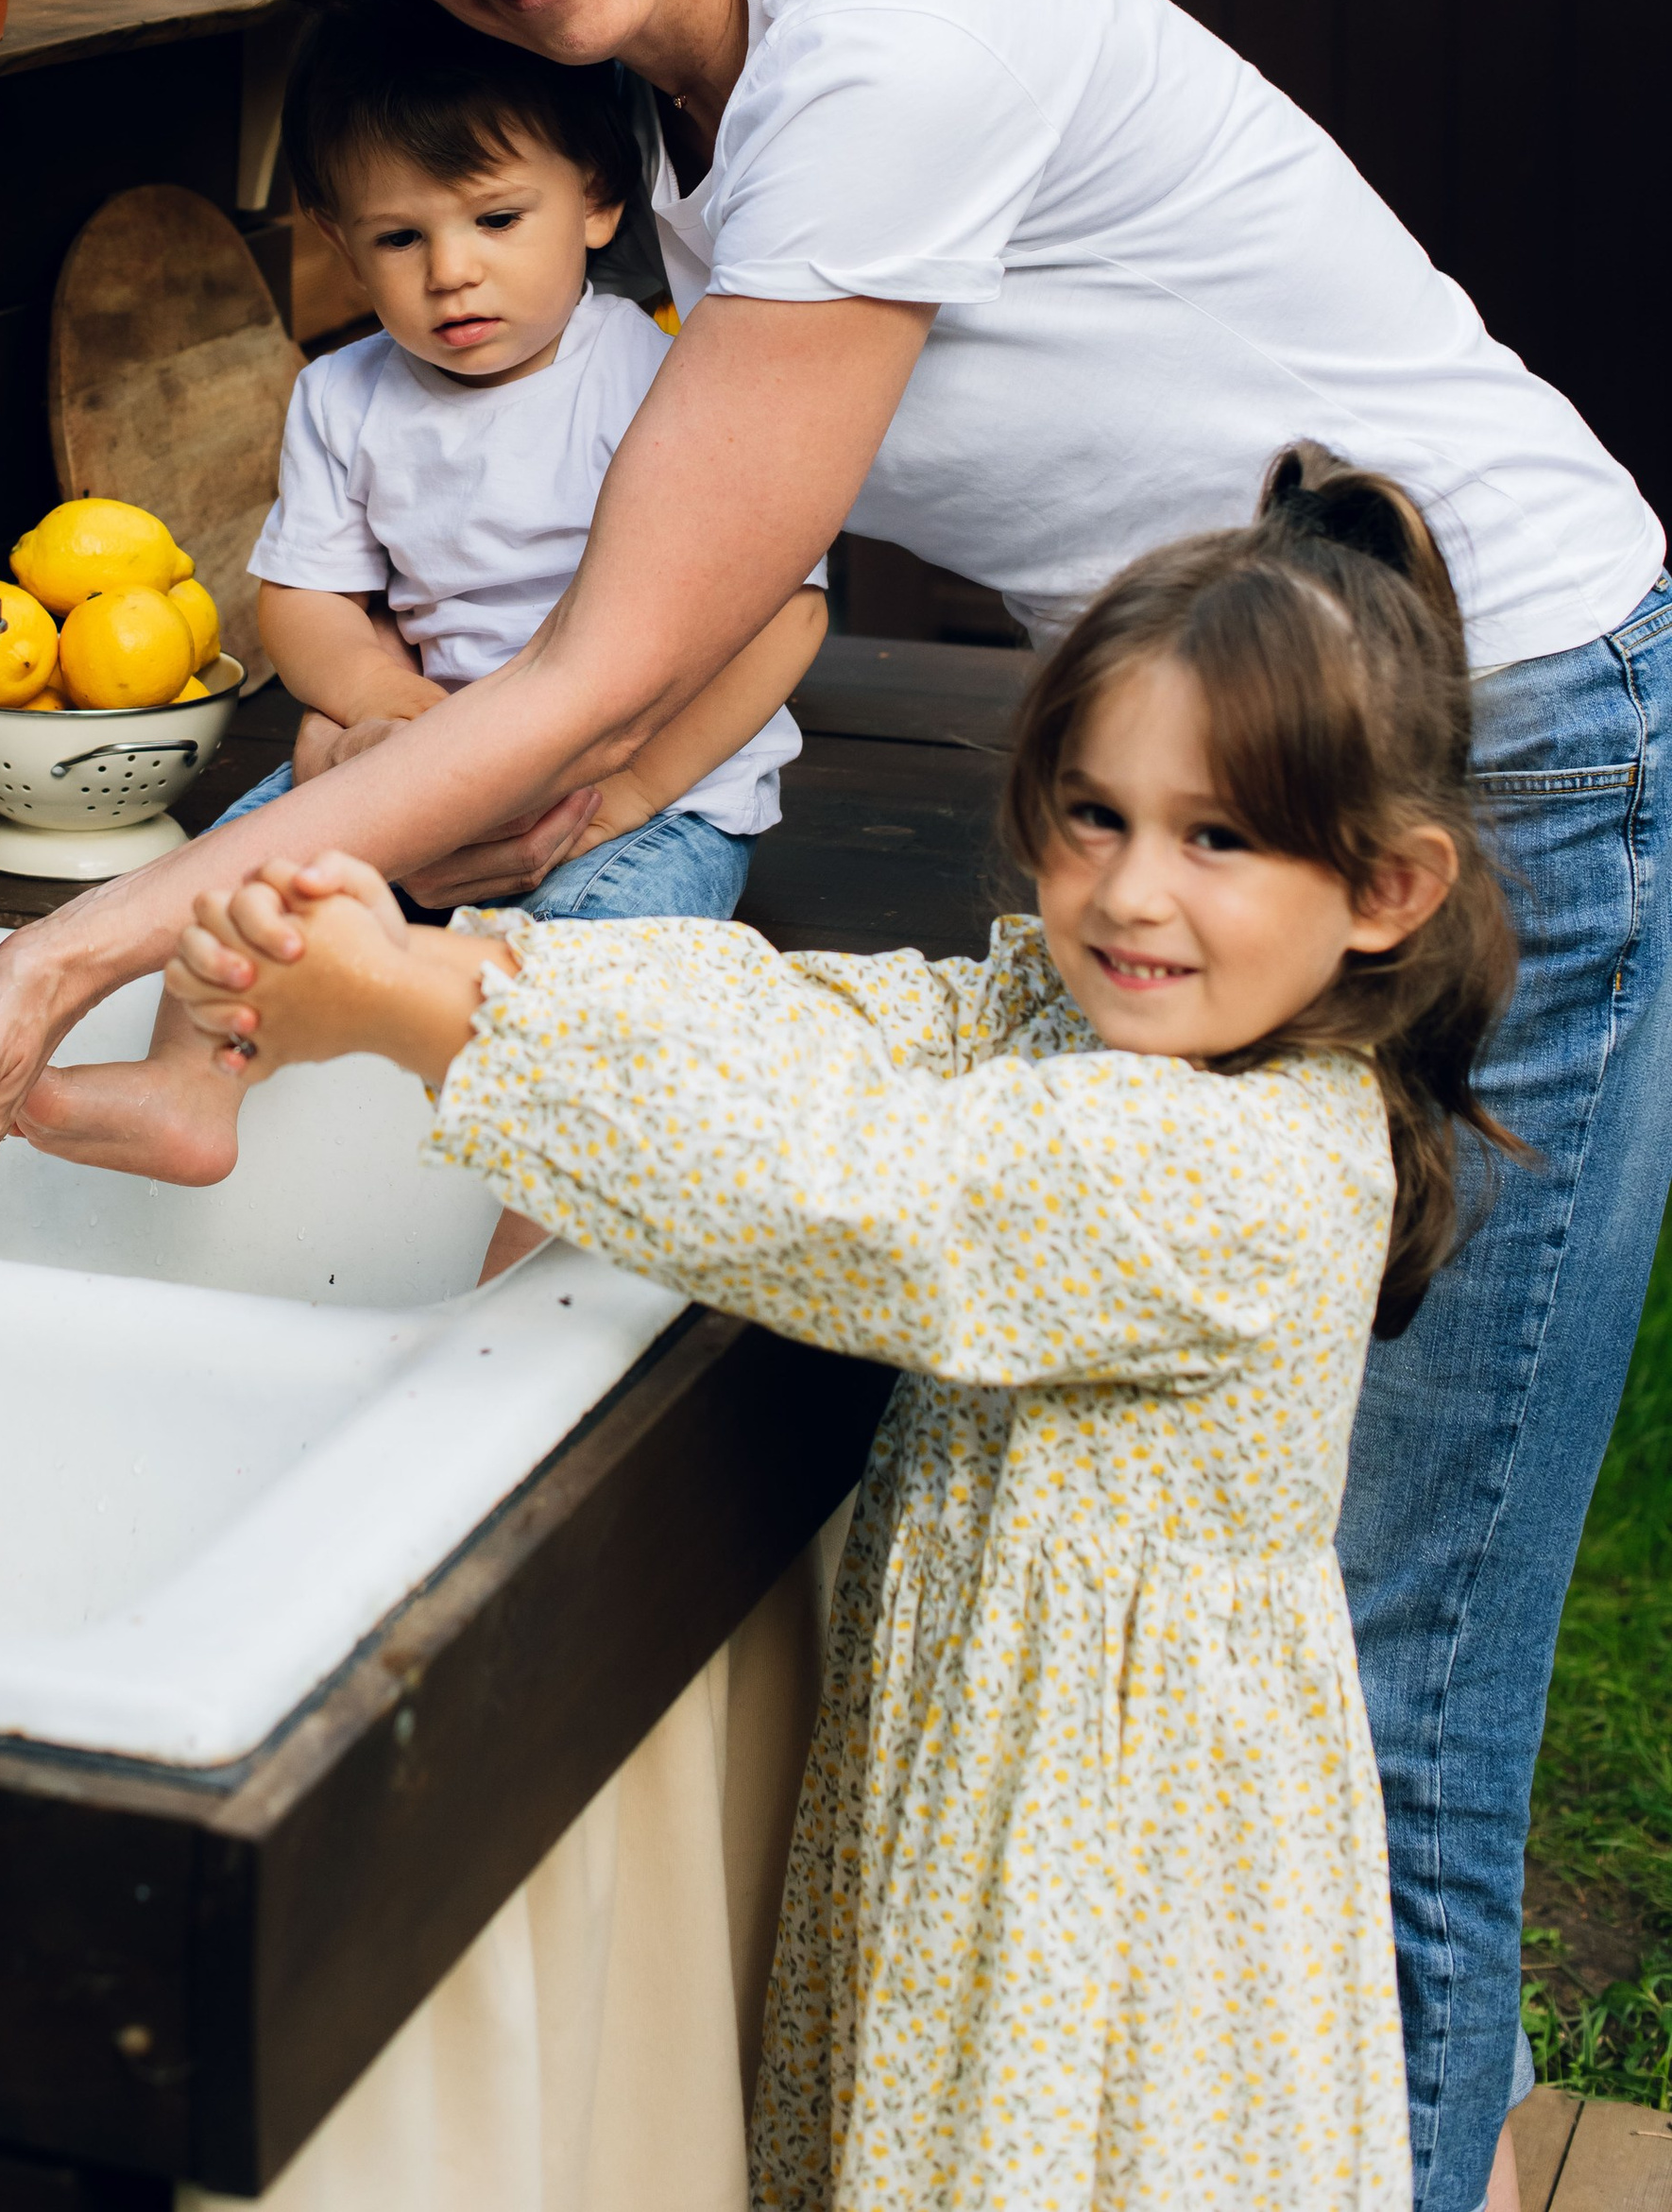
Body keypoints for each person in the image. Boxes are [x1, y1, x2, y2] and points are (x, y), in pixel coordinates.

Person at [0, 0, 1670, 2212]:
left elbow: (615, 643)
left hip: (1488, 743)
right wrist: (527, 833)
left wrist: (124, 914)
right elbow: (686, 641)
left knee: (1382, 1683)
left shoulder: (871, 53)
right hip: (1232, 776)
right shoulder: (687, 117)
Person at [160, 457, 1513, 2212]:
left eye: (1220, 836)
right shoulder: (1098, 1025)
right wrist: (493, 973)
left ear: (1390, 890)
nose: (1128, 892)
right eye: (1093, 814)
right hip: (1014, 1787)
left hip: (1110, 1865)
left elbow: (853, 1188)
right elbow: (833, 1026)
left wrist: (428, 1022)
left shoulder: (1233, 1166)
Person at [29, 0, 826, 1209]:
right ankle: (190, 1084)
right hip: (433, 761)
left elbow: (785, 615)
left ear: (597, 201)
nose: (452, 271)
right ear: (342, 247)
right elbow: (304, 603)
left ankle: (542, 1219)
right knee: (239, 885)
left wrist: (645, 789)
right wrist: (386, 705)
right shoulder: (345, 397)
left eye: (498, 219)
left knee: (597, 970)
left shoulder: (654, 373)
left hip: (657, 795)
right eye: (400, 238)